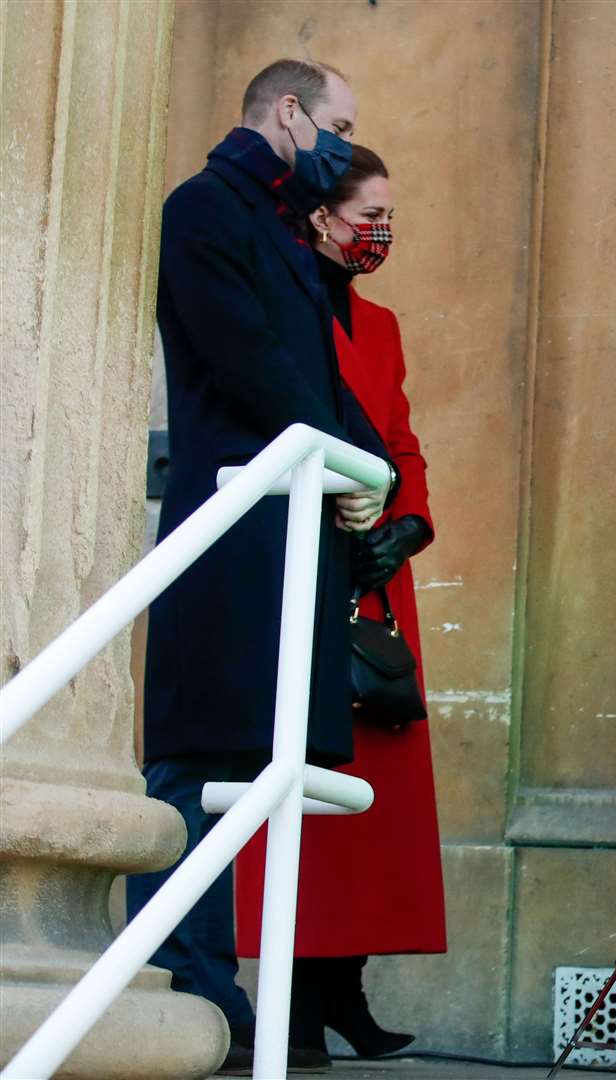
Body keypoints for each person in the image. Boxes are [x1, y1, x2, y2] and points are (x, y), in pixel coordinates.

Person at [126, 58, 394, 1076]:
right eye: (339, 122)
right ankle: (185, 978)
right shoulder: (203, 210)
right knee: (196, 758)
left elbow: (316, 367)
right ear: (288, 113)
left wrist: (363, 464)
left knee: (244, 761)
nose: (343, 140)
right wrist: (345, 455)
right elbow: (248, 363)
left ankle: (216, 981)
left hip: (285, 527)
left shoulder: (278, 224)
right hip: (230, 525)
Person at [233, 144, 446, 1066]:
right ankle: (290, 997)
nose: (382, 232)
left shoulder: (385, 325)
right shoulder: (278, 312)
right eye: (369, 215)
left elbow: (402, 440)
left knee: (376, 792)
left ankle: (343, 991)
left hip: (375, 576)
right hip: (302, 563)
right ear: (319, 218)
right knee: (299, 780)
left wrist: (412, 523)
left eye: (390, 216)